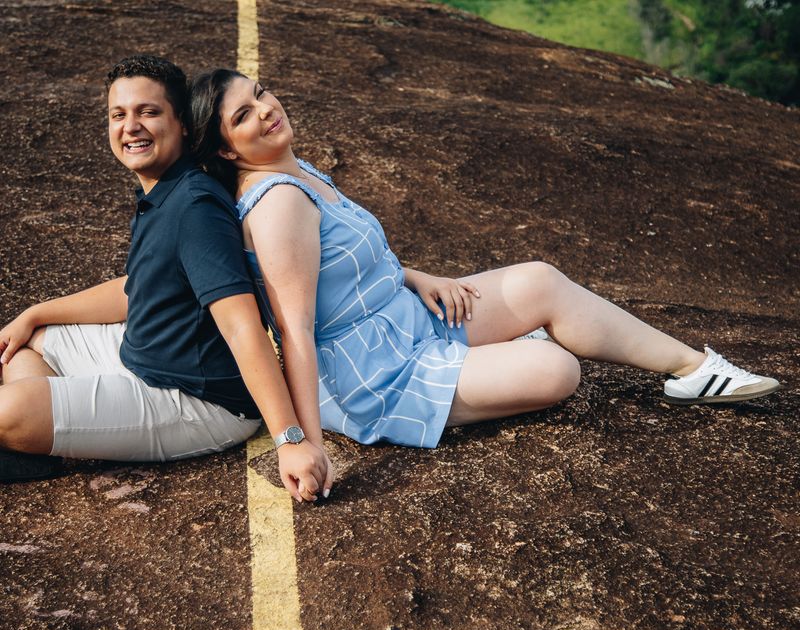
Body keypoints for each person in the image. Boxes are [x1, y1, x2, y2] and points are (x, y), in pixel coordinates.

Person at [189, 68, 782, 450]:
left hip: (404, 316)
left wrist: (416, 277)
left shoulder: (297, 169)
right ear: (224, 147)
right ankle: (516, 358)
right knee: (559, 372)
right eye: (243, 116)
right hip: (374, 373)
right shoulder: (277, 205)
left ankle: (692, 370)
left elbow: (341, 262)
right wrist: (305, 442)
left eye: (260, 93)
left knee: (540, 282)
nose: (265, 110)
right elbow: (293, 329)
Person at [0, 56, 332, 502]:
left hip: (199, 401)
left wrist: (290, 440)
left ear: (184, 128)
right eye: (119, 115)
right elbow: (138, 286)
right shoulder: (162, 189)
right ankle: (38, 443)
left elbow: (241, 325)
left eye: (149, 112)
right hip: (141, 356)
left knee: (10, 411)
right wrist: (33, 313)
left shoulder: (195, 207)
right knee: (20, 345)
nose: (131, 126)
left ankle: (32, 434)